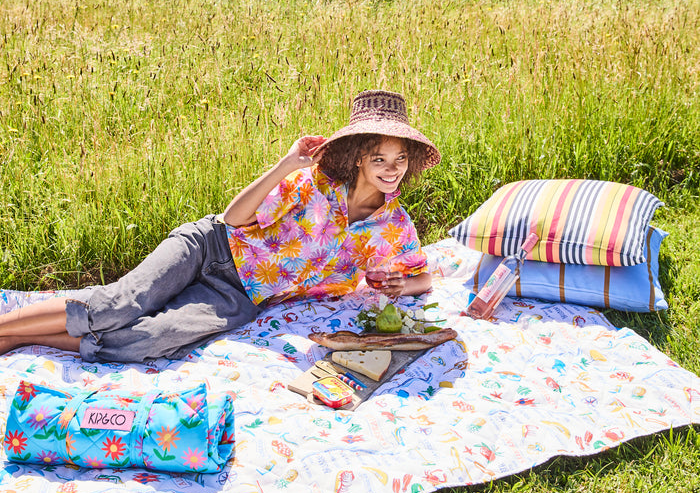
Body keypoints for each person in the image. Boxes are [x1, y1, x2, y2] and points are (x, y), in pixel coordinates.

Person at [0, 90, 440, 363]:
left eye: (401, 159)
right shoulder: (314, 182)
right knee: (118, 305)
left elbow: (422, 277)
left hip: (240, 296)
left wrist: (404, 285)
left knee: (147, 340)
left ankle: (18, 338)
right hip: (210, 247)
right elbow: (233, 219)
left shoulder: (394, 227)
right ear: (359, 158)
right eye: (380, 158)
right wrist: (287, 164)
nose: (392, 169)